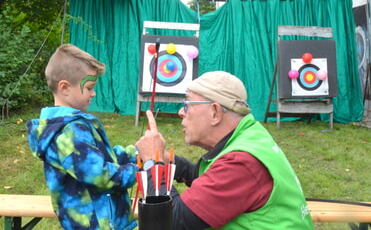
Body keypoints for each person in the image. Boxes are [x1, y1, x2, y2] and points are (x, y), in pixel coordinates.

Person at [135, 71, 314, 229]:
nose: (181, 111)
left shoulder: (242, 162)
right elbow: (212, 183)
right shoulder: (251, 135)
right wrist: (169, 161)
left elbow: (171, 221)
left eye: (188, 104)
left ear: (215, 112)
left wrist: (153, 162)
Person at [26, 44, 138, 230]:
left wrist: (135, 153)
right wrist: (142, 171)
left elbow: (100, 158)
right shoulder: (68, 132)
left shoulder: (72, 125)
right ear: (65, 88)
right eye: (89, 87)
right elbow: (101, 176)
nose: (93, 93)